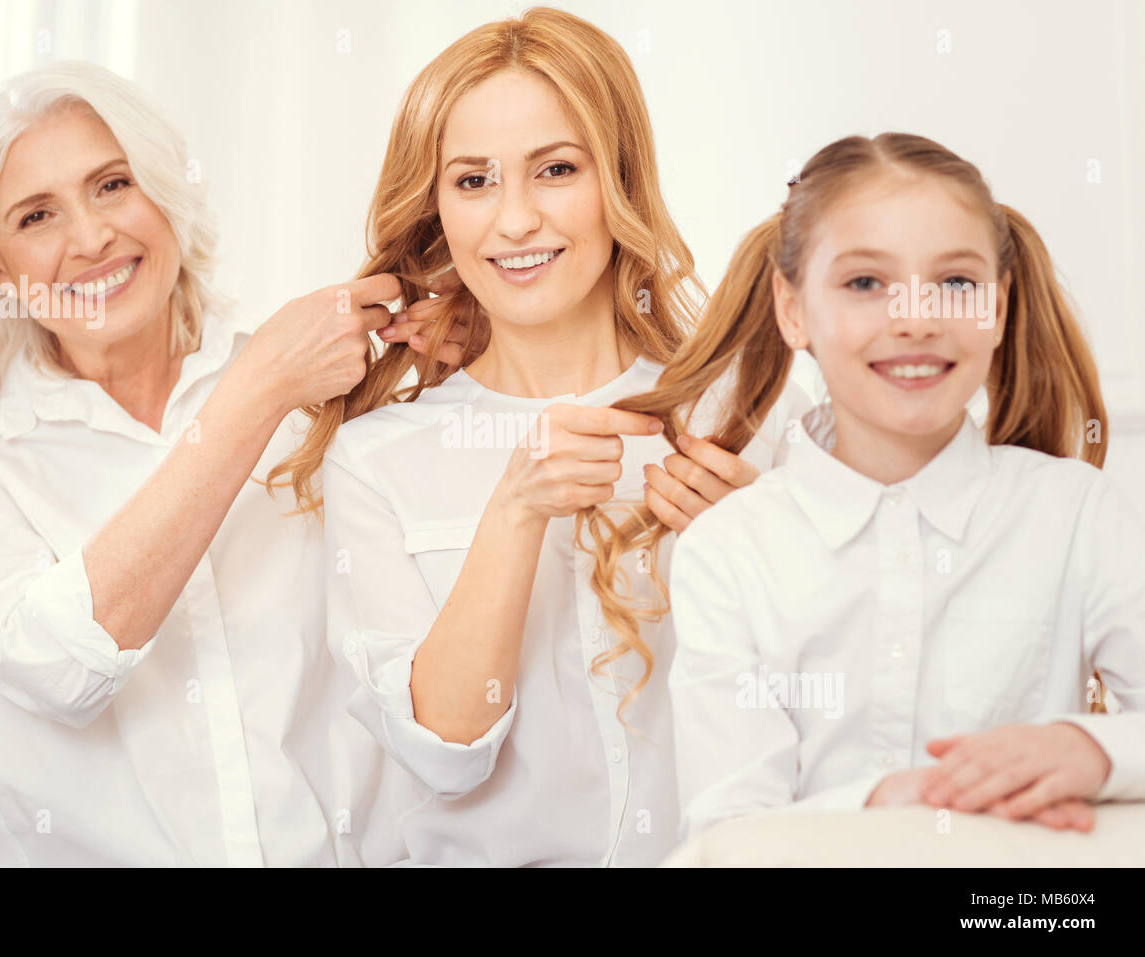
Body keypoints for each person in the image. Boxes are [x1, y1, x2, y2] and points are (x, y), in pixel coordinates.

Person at [269, 8, 811, 866]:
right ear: (438, 208)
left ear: (620, 179)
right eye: (474, 181)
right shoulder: (377, 461)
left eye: (555, 169)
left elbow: (838, 713)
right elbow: (443, 745)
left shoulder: (748, 415)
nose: (514, 220)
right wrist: (515, 509)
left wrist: (764, 546)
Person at [0, 60, 461, 866]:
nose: (90, 238)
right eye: (36, 216)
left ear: (164, 193)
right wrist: (256, 388)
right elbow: (56, 664)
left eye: (113, 185)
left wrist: (471, 370)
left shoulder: (318, 393)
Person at [667, 132, 1145, 842]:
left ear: (999, 307)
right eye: (865, 283)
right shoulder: (728, 553)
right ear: (792, 309)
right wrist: (896, 800)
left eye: (956, 283)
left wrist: (1093, 747)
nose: (917, 318)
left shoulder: (1079, 513)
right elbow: (729, 832)